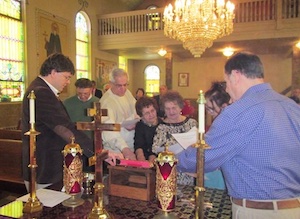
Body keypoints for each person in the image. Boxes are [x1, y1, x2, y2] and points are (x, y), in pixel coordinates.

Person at [177, 52, 300, 219]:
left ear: (235, 75)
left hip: (259, 212)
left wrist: (171, 159)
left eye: (226, 82)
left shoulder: (237, 112)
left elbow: (202, 157)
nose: (227, 88)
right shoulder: (291, 105)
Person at [21, 53, 120, 191]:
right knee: (48, 211)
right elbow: (63, 128)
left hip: (47, 166)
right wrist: (97, 152)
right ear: (54, 72)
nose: (68, 82)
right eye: (66, 77)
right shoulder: (41, 92)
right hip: (46, 168)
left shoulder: (41, 89)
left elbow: (64, 124)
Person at [152, 90, 197, 186]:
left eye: (174, 108)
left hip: (190, 172)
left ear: (180, 107)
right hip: (169, 173)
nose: (171, 111)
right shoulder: (162, 128)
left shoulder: (191, 123)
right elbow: (156, 149)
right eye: (167, 109)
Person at [100, 68, 139, 160]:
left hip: (132, 145)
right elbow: (108, 130)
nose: (123, 89)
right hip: (117, 151)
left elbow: (137, 111)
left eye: (125, 85)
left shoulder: (127, 93)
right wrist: (125, 149)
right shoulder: (106, 102)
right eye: (119, 85)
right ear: (111, 84)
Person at [63, 78, 100, 172]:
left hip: (91, 144)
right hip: (73, 144)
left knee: (90, 172)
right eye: (79, 93)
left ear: (92, 90)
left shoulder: (98, 102)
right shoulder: (68, 103)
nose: (83, 96)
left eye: (86, 93)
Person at [203, 81, 231, 190]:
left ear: (224, 106)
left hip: (222, 175)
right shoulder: (218, 122)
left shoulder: (226, 125)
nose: (209, 112)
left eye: (211, 108)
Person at [134, 97, 162, 163]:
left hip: (160, 158)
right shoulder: (140, 125)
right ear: (141, 115)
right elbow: (138, 145)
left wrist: (153, 156)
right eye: (147, 113)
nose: (151, 115)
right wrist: (141, 159)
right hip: (145, 158)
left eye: (152, 111)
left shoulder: (162, 124)